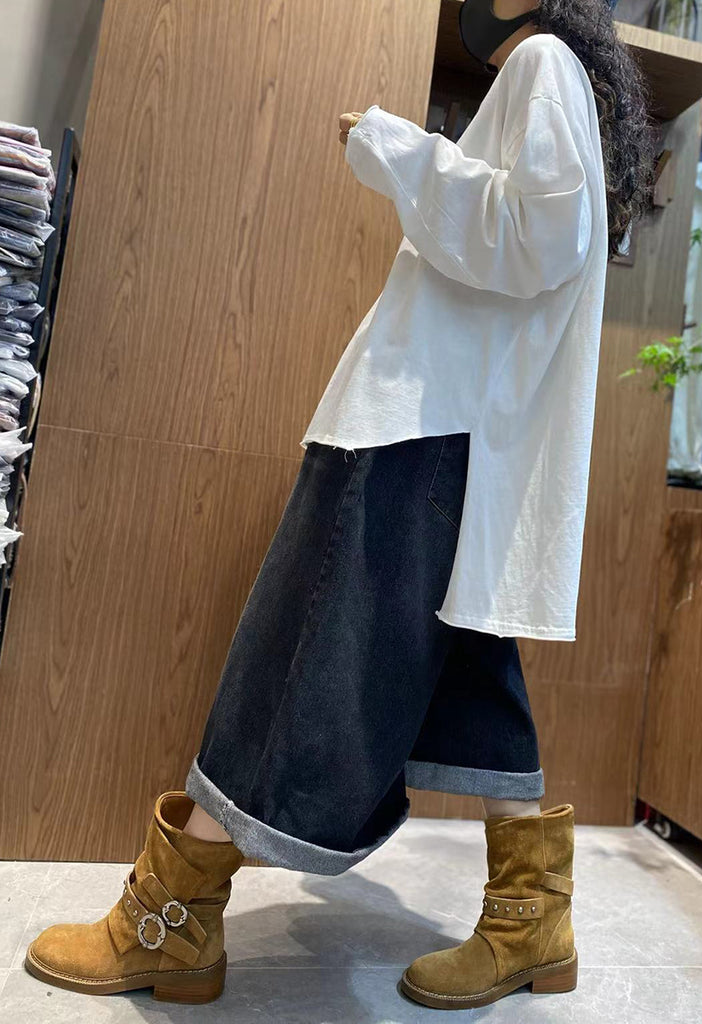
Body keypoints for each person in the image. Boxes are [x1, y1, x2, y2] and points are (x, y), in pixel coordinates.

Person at [24, 0, 655, 1012]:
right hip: (457, 427)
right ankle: (529, 918)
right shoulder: (555, 72)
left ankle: (171, 920)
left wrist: (399, 149)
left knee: (299, 642)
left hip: (418, 423)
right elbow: (543, 235)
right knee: (466, 665)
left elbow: (538, 236)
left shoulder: (539, 60)